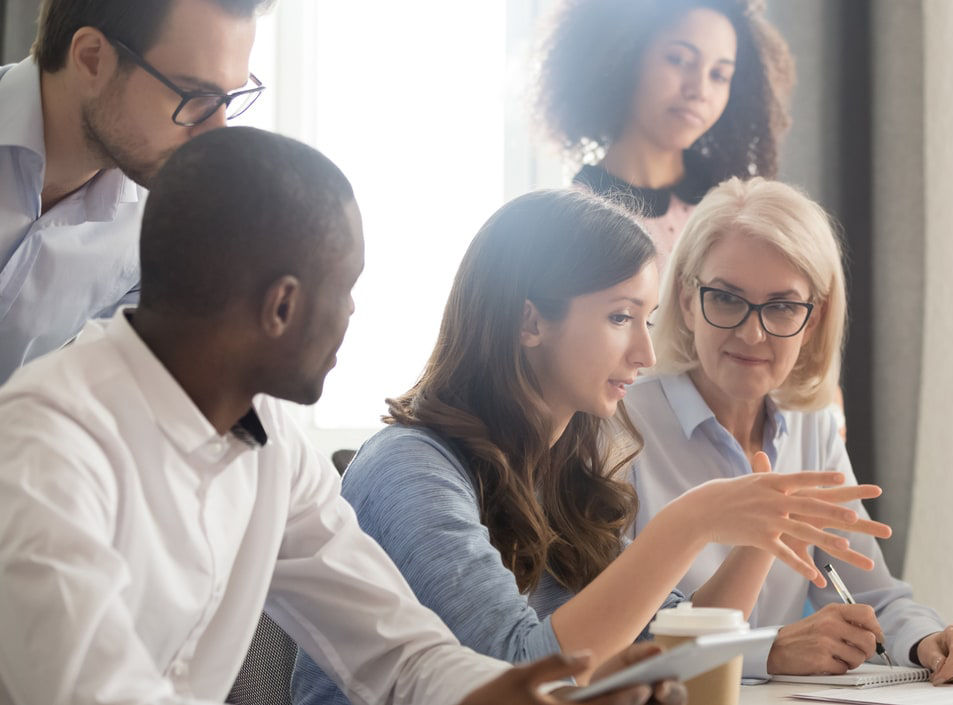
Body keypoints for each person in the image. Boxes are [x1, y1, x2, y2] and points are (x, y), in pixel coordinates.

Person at [0, 127, 685, 705]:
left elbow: (400, 651)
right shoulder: (46, 446)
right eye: (346, 289)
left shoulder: (271, 441)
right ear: (282, 306)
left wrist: (534, 693)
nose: (353, 316)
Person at [290, 187, 891, 705]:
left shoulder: (558, 471)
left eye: (646, 320)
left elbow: (680, 645)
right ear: (530, 322)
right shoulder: (410, 469)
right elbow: (519, 674)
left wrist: (765, 528)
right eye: (619, 318)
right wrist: (686, 524)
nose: (646, 355)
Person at [631, 176, 953, 685]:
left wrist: (926, 643)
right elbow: (623, 633)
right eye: (727, 299)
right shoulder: (619, 424)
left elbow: (871, 595)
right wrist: (768, 650)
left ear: (813, 318)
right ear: (688, 302)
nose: (752, 332)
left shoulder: (812, 425)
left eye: (781, 306)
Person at [0, 0, 268, 384]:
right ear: (92, 58)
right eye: (193, 96)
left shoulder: (160, 227)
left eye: (227, 99)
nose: (216, 132)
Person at [534, 0, 794, 264]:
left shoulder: (733, 206)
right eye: (679, 60)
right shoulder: (574, 222)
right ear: (626, 55)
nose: (700, 90)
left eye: (719, 75)